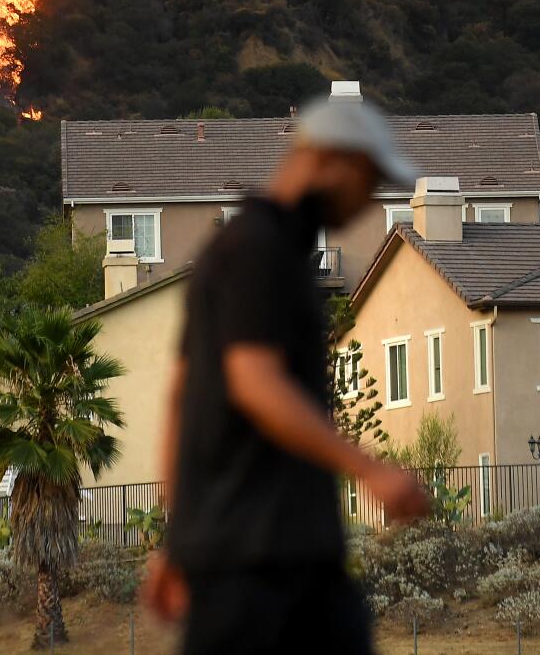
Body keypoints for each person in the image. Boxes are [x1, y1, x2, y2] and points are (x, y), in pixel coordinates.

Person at [142, 96, 432, 654]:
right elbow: (255, 382)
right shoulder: (260, 251)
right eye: (367, 178)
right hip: (270, 564)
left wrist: (177, 541)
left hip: (249, 562)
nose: (367, 199)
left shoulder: (239, 251)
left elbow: (181, 401)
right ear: (328, 161)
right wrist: (369, 470)